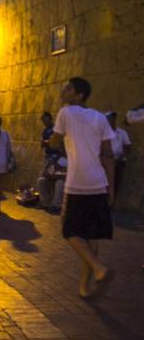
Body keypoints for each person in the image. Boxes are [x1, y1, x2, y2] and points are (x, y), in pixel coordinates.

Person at [51, 77, 115, 298]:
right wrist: (111, 188)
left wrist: (50, 141)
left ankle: (98, 269)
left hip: (77, 184)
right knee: (92, 235)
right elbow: (108, 156)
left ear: (79, 96)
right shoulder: (100, 118)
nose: (64, 90)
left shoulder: (65, 113)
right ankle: (84, 286)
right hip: (98, 183)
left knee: (70, 231)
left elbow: (55, 142)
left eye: (68, 89)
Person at [36, 111, 66, 213]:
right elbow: (42, 144)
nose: (45, 122)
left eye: (47, 120)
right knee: (41, 179)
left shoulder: (56, 130)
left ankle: (56, 204)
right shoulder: (44, 131)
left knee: (60, 182)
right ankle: (45, 203)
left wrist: (48, 142)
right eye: (44, 121)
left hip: (58, 159)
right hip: (49, 158)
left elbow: (56, 143)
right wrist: (48, 142)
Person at [105, 112, 131, 196]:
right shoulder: (103, 133)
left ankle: (113, 199)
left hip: (118, 160)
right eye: (109, 118)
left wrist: (124, 156)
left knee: (116, 182)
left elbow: (128, 145)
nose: (111, 120)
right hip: (107, 161)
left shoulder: (122, 132)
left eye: (113, 118)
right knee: (106, 182)